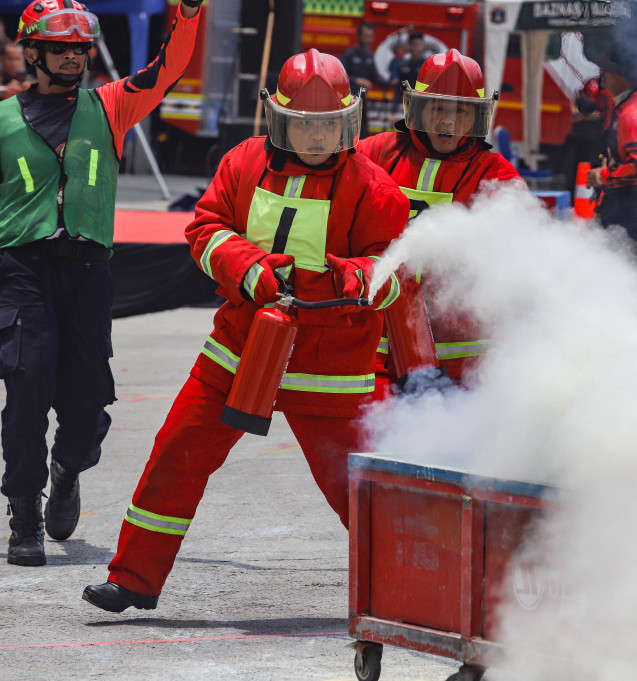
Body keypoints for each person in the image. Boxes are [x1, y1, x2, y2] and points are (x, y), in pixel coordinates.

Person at [82, 49, 409, 613]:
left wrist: (355, 277)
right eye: (304, 124)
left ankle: (409, 587)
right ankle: (133, 578)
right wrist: (249, 270)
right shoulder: (243, 161)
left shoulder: (374, 187)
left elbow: (392, 269)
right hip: (240, 350)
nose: (318, 136)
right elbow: (206, 228)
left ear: (349, 121)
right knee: (176, 454)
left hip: (328, 366)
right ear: (278, 118)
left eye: (329, 124)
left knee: (354, 486)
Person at [0, 0, 204, 568]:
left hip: (89, 271)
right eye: (60, 48)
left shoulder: (111, 105)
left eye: (80, 48)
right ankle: (24, 515)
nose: (73, 57)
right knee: (27, 393)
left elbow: (168, 68)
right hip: (22, 271)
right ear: (32, 52)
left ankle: (68, 470)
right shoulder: (3, 119)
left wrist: (188, 12)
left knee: (89, 400)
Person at [357, 48, 522, 393]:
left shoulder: (496, 176)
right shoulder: (375, 153)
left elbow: (513, 253)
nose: (447, 122)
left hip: (457, 356)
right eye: (437, 109)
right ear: (417, 108)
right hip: (376, 349)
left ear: (477, 115)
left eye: (460, 111)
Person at [584, 44, 637, 265]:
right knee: (623, 273)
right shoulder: (632, 103)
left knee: (621, 273)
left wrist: (602, 177)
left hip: (632, 209)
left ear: (622, 78)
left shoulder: (631, 115)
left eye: (606, 74)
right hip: (635, 206)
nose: (602, 80)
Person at [558, 77, 611, 194]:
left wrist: (584, 117)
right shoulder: (592, 83)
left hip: (596, 139)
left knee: (593, 169)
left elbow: (601, 115)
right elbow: (576, 99)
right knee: (572, 171)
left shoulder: (610, 91)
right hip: (578, 137)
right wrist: (576, 110)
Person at [340, 22, 389, 135]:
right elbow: (341, 77)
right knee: (348, 133)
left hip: (362, 102)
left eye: (371, 36)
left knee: (363, 132)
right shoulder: (349, 54)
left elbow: (375, 77)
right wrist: (356, 80)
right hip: (348, 102)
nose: (369, 40)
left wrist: (391, 82)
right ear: (358, 36)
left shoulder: (369, 55)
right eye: (366, 36)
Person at [390, 31, 427, 103]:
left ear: (422, 45)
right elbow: (398, 90)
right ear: (408, 45)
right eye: (412, 44)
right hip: (406, 104)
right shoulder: (402, 65)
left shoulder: (427, 66)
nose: (414, 48)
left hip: (422, 104)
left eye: (417, 44)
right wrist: (394, 108)